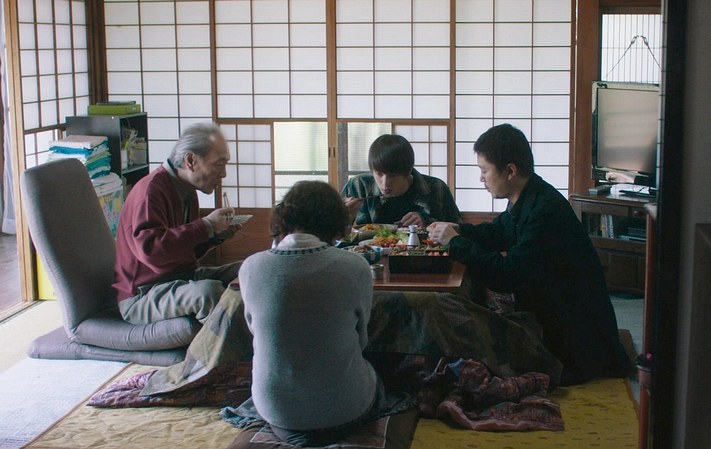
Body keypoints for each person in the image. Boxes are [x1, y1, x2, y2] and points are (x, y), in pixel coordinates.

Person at [427, 123, 631, 386]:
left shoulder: (544, 211)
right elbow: (499, 232)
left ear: (510, 171)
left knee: (456, 323)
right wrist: (459, 230)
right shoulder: (530, 194)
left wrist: (455, 243)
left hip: (569, 333)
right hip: (551, 312)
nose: (481, 178)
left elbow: (507, 275)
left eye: (484, 170)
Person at [238, 181, 387, 446]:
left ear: (284, 216)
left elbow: (256, 332)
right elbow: (362, 340)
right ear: (337, 221)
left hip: (276, 411)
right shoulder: (355, 266)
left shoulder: (251, 267)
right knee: (381, 374)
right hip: (346, 410)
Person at [114, 122, 242, 325]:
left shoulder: (187, 191)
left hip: (179, 278)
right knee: (208, 293)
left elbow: (185, 252)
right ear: (190, 160)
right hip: (143, 293)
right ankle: (219, 346)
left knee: (249, 269)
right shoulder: (151, 191)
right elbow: (152, 254)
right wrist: (206, 226)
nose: (224, 173)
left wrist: (215, 235)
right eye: (219, 164)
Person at [342, 134, 462, 226]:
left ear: (408, 171)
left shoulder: (436, 187)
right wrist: (343, 218)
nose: (385, 183)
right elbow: (334, 240)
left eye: (393, 175)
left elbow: (458, 231)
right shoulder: (358, 186)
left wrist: (426, 220)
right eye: (379, 174)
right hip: (367, 252)